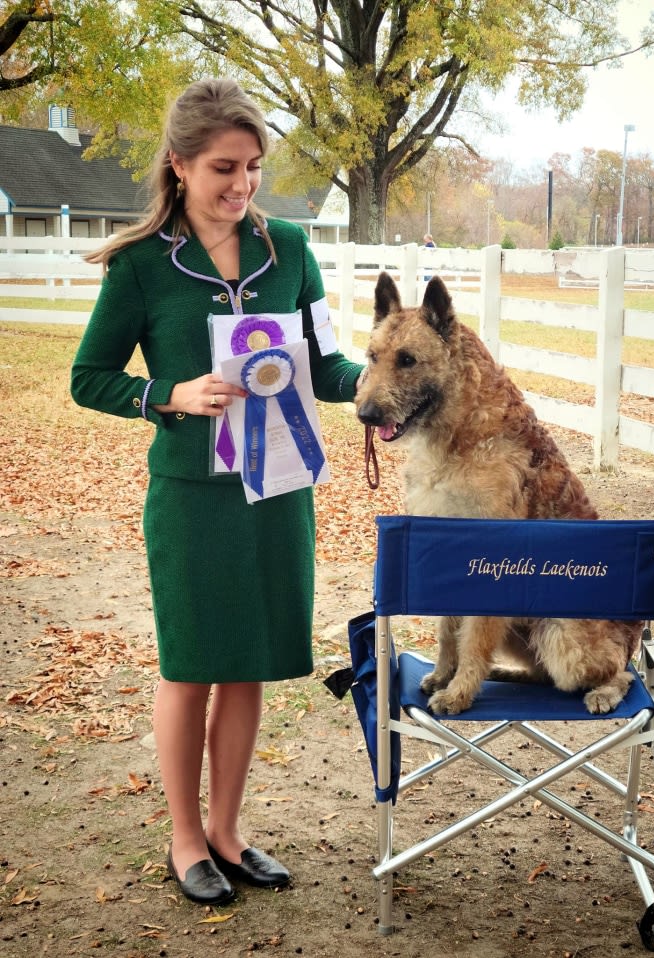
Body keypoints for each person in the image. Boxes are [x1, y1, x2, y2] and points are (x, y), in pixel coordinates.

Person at [71, 78, 366, 906]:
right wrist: (169, 392)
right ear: (179, 165)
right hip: (192, 499)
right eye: (223, 170)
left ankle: (231, 833)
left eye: (253, 168)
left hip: (277, 491)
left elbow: (327, 361)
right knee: (191, 668)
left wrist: (375, 395)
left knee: (248, 668)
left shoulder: (292, 250)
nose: (241, 186)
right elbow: (88, 378)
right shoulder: (140, 266)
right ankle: (185, 839)